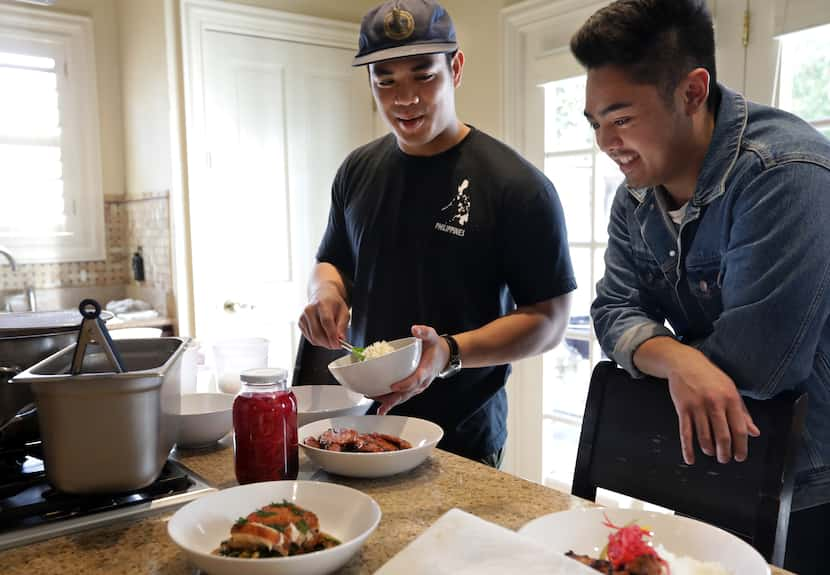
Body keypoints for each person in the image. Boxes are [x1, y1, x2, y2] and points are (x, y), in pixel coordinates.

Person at [571, 0, 830, 571]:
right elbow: (611, 306)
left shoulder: (785, 172)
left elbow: (761, 366)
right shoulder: (636, 193)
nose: (605, 143)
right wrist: (677, 363)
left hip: (814, 481)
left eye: (621, 118)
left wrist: (658, 355)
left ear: (692, 91)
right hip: (715, 459)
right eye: (595, 124)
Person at [299, 0, 575, 467]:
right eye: (385, 80)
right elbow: (334, 261)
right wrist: (325, 292)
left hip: (463, 436)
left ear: (456, 68)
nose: (404, 98)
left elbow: (549, 321)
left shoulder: (517, 186)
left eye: (423, 75)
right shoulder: (357, 170)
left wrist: (449, 351)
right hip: (360, 425)